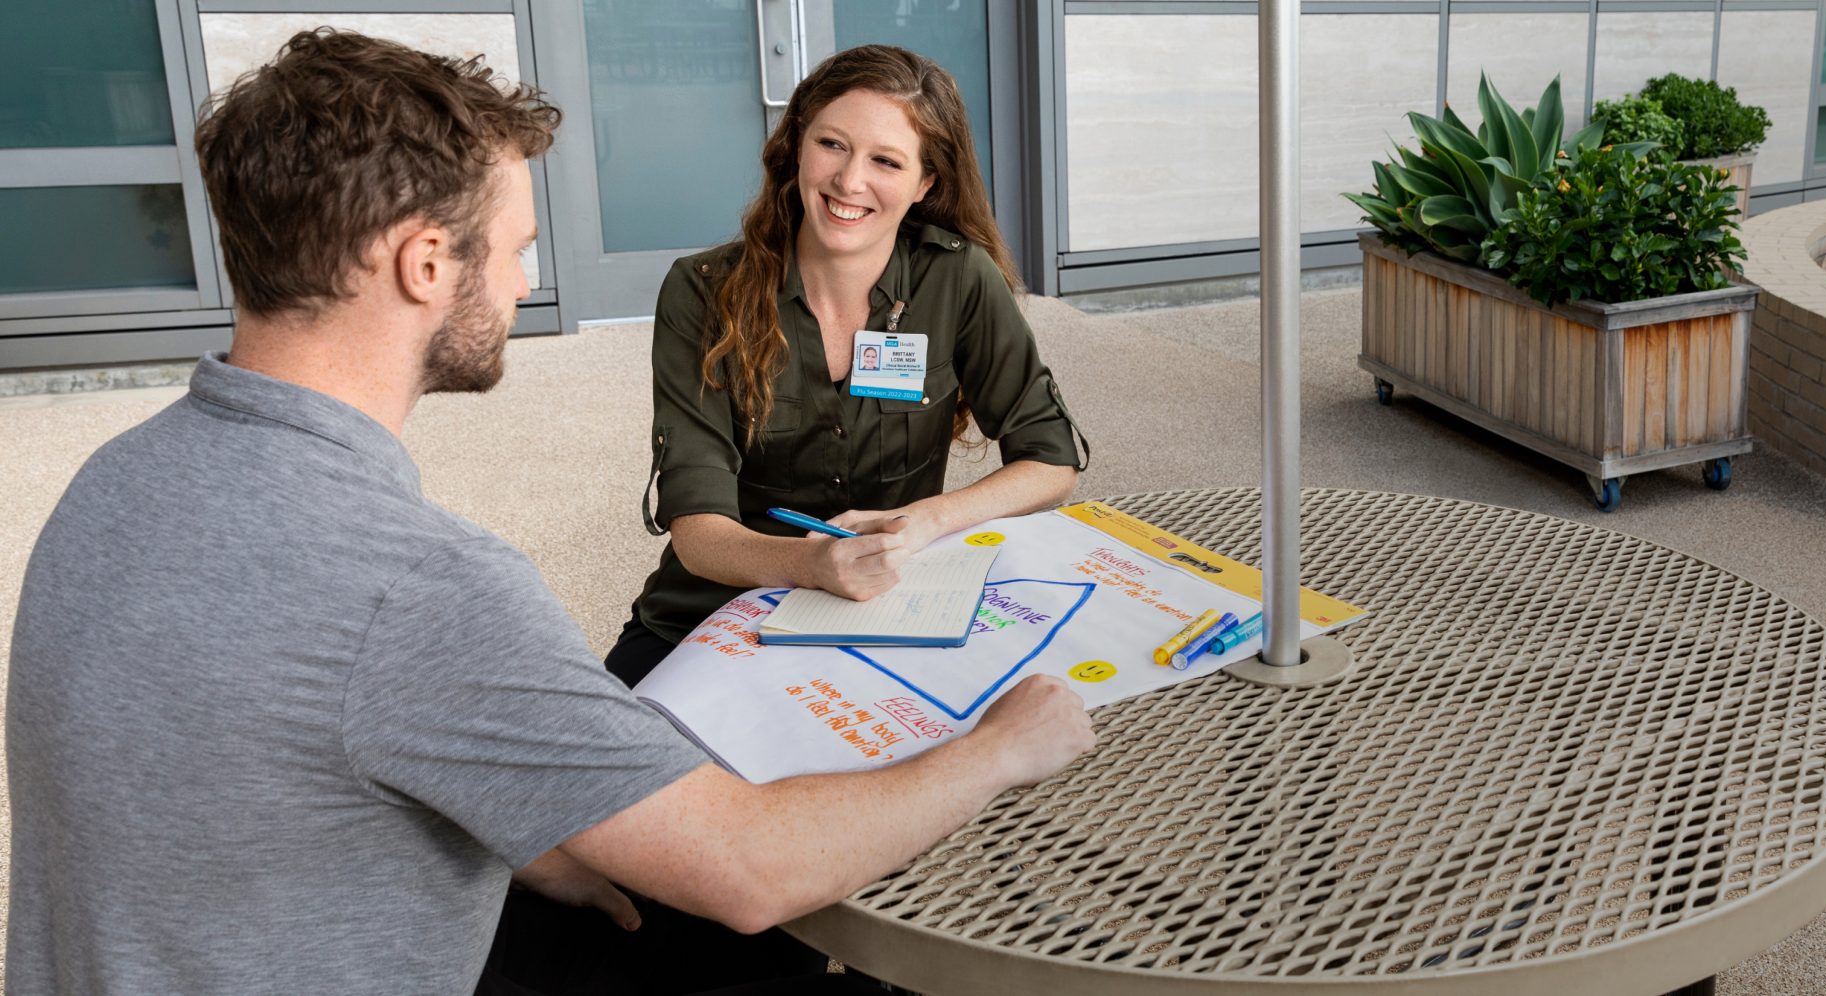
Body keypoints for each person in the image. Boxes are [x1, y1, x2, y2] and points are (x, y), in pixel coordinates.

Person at [3, 30, 1094, 996]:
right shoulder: (426, 589)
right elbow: (753, 870)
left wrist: (524, 827)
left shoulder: (112, 484)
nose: (526, 285)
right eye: (517, 249)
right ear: (428, 264)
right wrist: (1000, 749)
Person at [612, 44, 1085, 690]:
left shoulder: (957, 278)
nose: (849, 181)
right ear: (797, 148)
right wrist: (812, 565)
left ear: (925, 184)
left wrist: (926, 520)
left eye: (886, 160)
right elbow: (699, 535)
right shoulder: (702, 291)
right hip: (711, 614)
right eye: (832, 145)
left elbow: (1051, 460)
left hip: (887, 613)